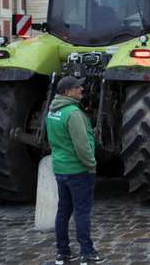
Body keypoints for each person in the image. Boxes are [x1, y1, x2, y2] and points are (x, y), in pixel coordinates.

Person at [45, 76, 106, 265]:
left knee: (63, 212)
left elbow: (51, 140)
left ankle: (62, 254)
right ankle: (87, 253)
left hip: (61, 169)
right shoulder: (73, 114)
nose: (81, 89)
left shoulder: (52, 112)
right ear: (66, 92)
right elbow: (82, 146)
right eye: (77, 87)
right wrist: (91, 164)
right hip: (78, 170)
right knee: (82, 212)